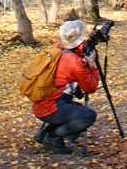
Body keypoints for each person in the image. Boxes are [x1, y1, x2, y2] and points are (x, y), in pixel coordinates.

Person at [33, 19, 99, 155]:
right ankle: (54, 137)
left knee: (77, 109)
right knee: (88, 116)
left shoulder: (56, 49)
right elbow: (90, 88)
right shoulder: (75, 62)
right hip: (52, 107)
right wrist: (92, 65)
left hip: (41, 103)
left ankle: (45, 133)